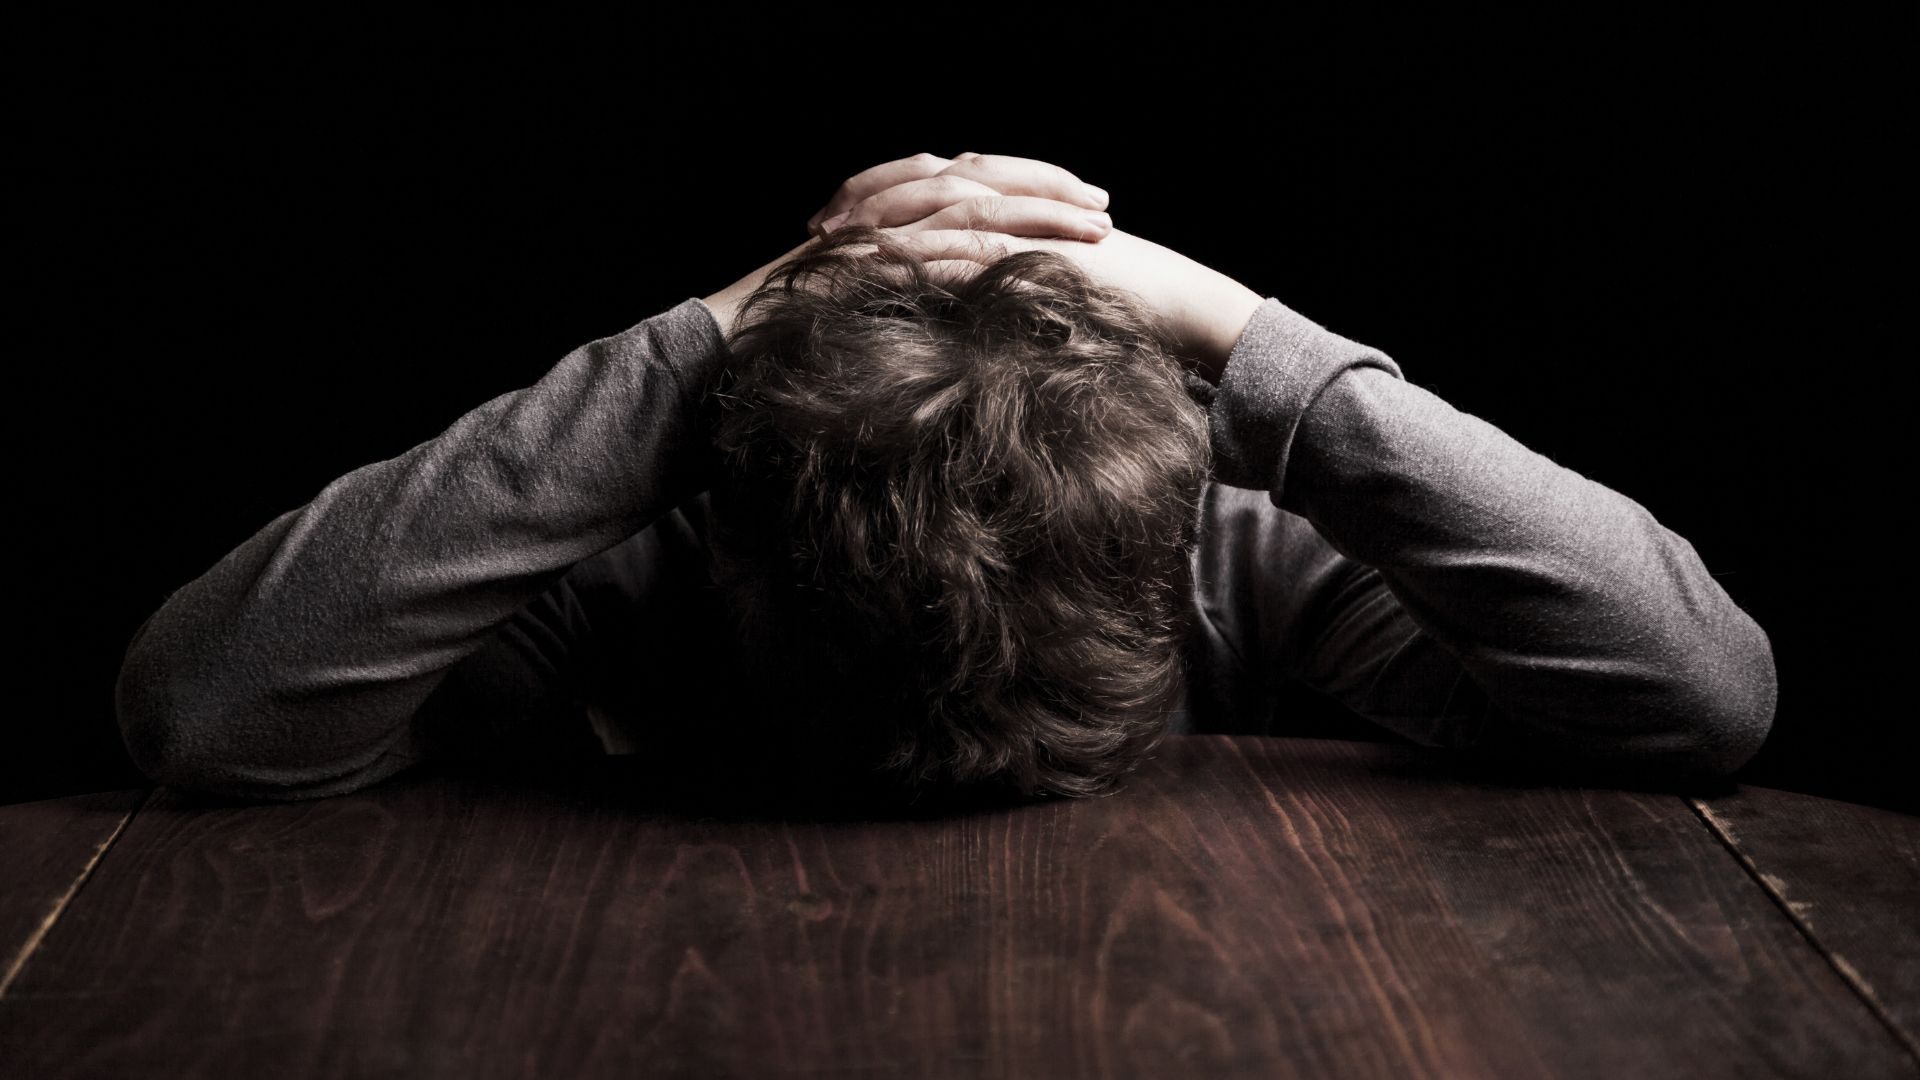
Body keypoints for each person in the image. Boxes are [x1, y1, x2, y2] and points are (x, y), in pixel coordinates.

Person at [112, 152, 1777, 809]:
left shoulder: (1231, 553)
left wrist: (1237, 334)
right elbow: (209, 713)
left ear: (1167, 538)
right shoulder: (644, 569)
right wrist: (1237, 329)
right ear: (731, 530)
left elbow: (1697, 691)